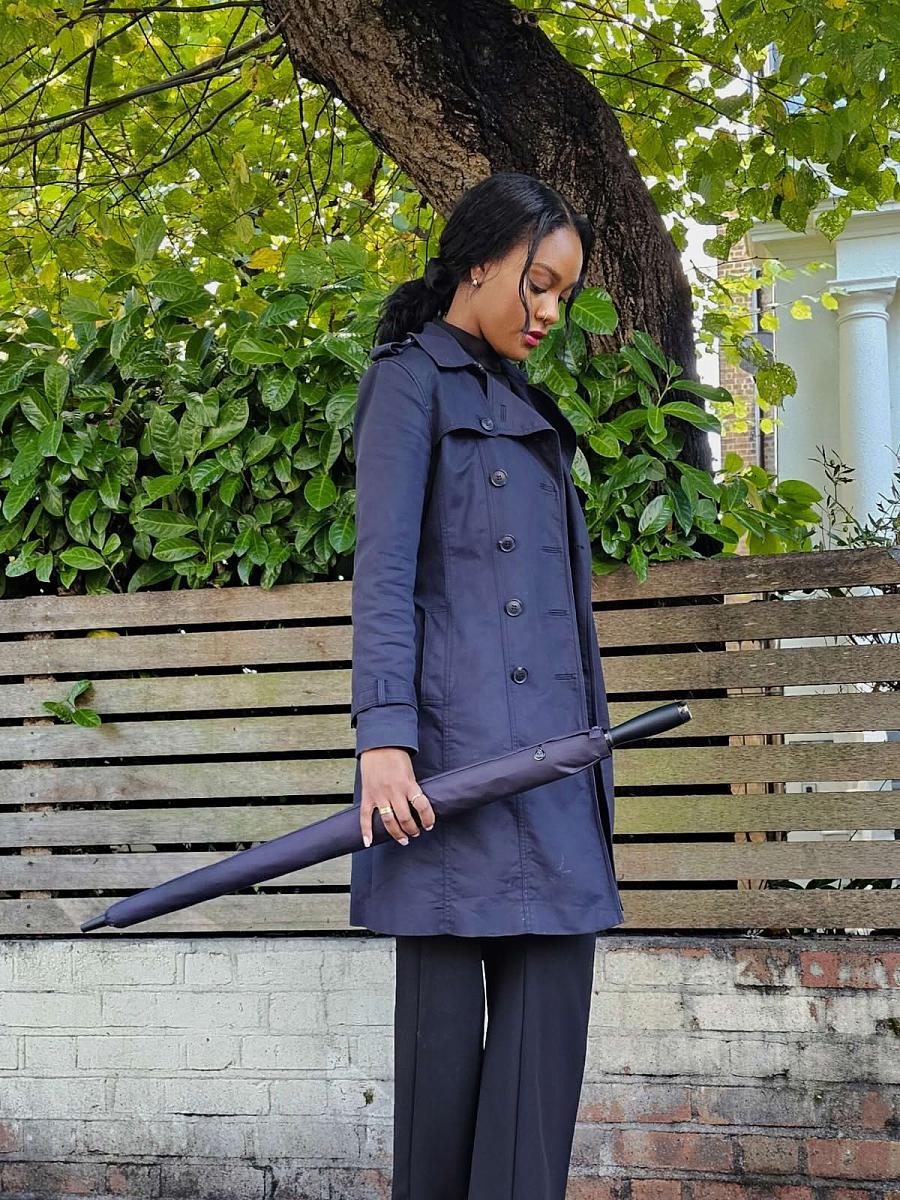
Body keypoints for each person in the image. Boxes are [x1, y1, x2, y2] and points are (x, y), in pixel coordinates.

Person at [348, 171, 625, 1200]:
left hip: (554, 771)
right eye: (537, 284)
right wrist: (384, 739)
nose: (550, 312)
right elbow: (383, 575)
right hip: (444, 779)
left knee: (540, 1079)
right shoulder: (407, 383)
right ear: (478, 261)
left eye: (563, 295)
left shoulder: (527, 403)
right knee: (439, 1087)